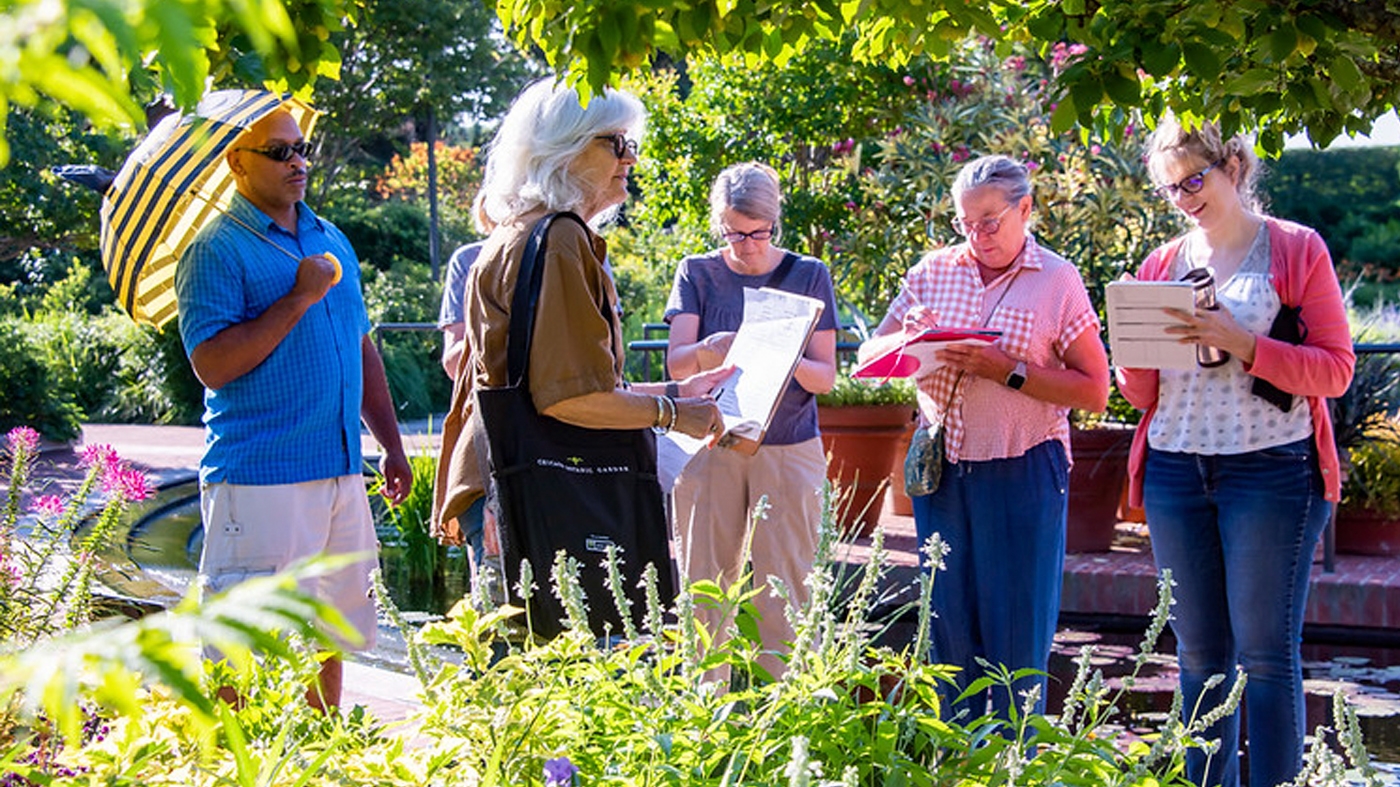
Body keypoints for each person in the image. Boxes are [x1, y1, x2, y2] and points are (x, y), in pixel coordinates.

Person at [1119, 117, 1354, 787]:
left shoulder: (1294, 248)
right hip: (1175, 469)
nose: (1185, 196)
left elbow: (1335, 371)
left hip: (1272, 469)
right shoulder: (1162, 264)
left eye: (1195, 179)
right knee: (1198, 657)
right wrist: (1131, 349)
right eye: (1170, 188)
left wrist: (1244, 340)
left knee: (1266, 655)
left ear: (1234, 167)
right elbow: (1141, 395)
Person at [431, 78, 728, 599]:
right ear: (565, 148)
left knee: (521, 660)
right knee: (558, 659)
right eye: (616, 142)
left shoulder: (522, 229)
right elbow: (569, 397)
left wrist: (675, 394)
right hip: (540, 490)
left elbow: (547, 381)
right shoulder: (559, 239)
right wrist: (674, 416)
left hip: (512, 479)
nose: (630, 159)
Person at [174, 105, 413, 712]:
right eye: (279, 152)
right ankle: (241, 765)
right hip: (258, 477)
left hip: (337, 469)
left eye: (301, 148)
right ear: (236, 162)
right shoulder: (215, 250)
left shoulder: (330, 239)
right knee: (242, 642)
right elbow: (213, 365)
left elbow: (360, 347)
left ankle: (321, 754)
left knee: (327, 631)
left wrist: (391, 444)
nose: (298, 162)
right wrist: (300, 296)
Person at [859, 154, 1109, 719]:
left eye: (990, 222)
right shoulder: (932, 272)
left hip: (1023, 468)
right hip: (942, 472)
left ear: (1026, 209)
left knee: (1018, 640)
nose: (978, 237)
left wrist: (1008, 370)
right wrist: (913, 345)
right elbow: (870, 355)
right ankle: (960, 768)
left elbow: (1096, 391)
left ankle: (1018, 769)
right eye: (965, 224)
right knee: (948, 636)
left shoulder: (1057, 280)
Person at [665, 162, 839, 679]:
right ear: (719, 223)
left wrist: (780, 356)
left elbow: (825, 377)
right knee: (703, 594)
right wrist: (714, 347)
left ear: (775, 222)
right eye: (734, 233)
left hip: (788, 448)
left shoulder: (808, 274)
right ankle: (704, 726)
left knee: (786, 595)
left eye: (757, 233)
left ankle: (785, 731)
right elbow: (677, 364)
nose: (745, 245)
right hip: (710, 446)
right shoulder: (697, 271)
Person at [437, 193, 494, 572]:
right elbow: (454, 362)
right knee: (491, 589)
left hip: (564, 440)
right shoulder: (469, 260)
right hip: (486, 439)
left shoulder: (579, 245)